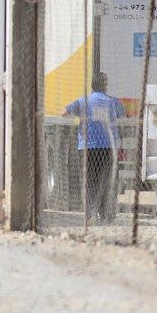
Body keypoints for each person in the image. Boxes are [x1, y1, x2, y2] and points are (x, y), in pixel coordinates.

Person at [62, 72, 125, 223]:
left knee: (89, 181)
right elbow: (123, 115)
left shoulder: (83, 101)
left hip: (87, 147)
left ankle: (91, 213)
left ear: (92, 85)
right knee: (107, 180)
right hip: (108, 147)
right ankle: (106, 214)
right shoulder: (113, 102)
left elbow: (64, 112)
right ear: (105, 86)